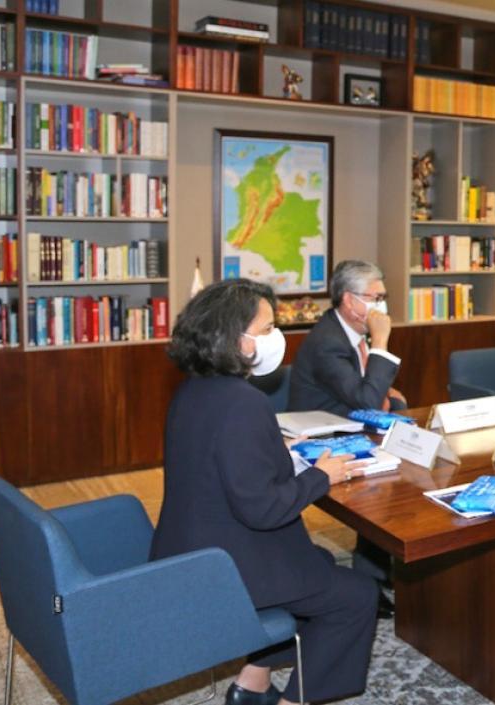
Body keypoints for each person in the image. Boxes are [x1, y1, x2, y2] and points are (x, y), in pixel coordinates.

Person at [151, 279, 376, 705]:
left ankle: (251, 684)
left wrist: (278, 451)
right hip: (228, 564)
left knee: (320, 561)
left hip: (191, 547)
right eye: (269, 327)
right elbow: (263, 510)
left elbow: (222, 464)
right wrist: (322, 475)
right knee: (356, 596)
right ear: (239, 341)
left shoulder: (193, 389)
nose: (277, 337)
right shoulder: (243, 403)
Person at [288, 259, 406, 415]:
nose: (381, 305)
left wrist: (387, 395)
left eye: (383, 298)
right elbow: (368, 403)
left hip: (351, 423)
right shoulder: (327, 343)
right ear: (349, 300)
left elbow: (364, 388)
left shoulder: (355, 329)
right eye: (376, 298)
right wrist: (380, 342)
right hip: (322, 433)